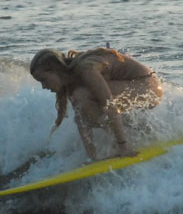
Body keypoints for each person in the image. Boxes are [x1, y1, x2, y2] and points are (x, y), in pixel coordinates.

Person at [30, 47, 163, 159]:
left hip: (148, 87)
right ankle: (146, 130)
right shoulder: (71, 82)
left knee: (83, 96)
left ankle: (123, 144)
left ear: (56, 70)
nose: (44, 86)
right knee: (83, 108)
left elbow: (109, 104)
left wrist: (123, 145)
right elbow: (81, 119)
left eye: (44, 80)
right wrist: (91, 157)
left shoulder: (86, 70)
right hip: (134, 88)